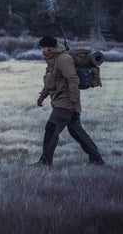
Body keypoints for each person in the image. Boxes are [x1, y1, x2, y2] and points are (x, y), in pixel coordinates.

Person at [34, 35, 104, 166]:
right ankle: (96, 159)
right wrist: (42, 96)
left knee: (51, 129)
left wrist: (73, 102)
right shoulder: (52, 60)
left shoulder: (63, 59)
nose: (42, 50)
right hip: (63, 101)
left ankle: (45, 162)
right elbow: (50, 80)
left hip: (66, 103)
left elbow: (73, 80)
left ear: (51, 47)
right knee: (77, 132)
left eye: (43, 48)